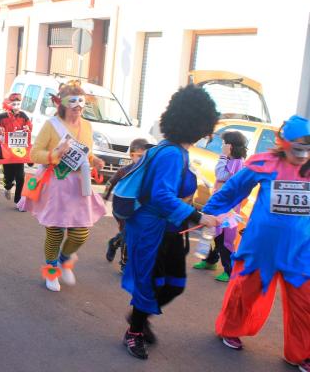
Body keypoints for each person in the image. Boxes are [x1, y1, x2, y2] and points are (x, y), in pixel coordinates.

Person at [202, 115, 310, 371]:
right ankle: (230, 329)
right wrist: (207, 214)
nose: (303, 155)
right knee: (245, 293)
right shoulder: (264, 163)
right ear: (283, 143)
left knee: (306, 303)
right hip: (261, 247)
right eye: (297, 148)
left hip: (301, 251)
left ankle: (303, 353)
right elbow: (232, 190)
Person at [121, 85, 220, 360]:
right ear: (197, 123)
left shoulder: (172, 149)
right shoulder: (172, 153)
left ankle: (138, 318)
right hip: (151, 230)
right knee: (148, 283)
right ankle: (135, 331)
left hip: (168, 228)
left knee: (174, 283)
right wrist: (200, 216)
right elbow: (161, 196)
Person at [22, 80, 105, 292]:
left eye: (81, 103)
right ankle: (51, 271)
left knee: (80, 233)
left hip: (80, 184)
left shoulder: (87, 125)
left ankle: (64, 259)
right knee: (55, 232)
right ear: (63, 104)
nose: (78, 107)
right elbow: (34, 154)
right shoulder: (52, 125)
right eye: (73, 103)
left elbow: (86, 152)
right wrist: (54, 154)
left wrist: (95, 161)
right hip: (57, 184)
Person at [193, 130, 247, 282]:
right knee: (212, 233)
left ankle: (229, 270)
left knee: (224, 239)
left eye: (224, 143)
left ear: (230, 146)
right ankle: (210, 260)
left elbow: (221, 174)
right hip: (219, 206)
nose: (222, 146)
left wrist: (223, 156)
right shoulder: (233, 160)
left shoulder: (237, 162)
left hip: (227, 209)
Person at [104, 138, 150, 273]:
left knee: (129, 233)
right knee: (129, 234)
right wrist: (104, 199)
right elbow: (109, 183)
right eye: (140, 156)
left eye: (145, 157)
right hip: (122, 208)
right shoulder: (125, 170)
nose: (143, 160)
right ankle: (125, 264)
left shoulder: (146, 171)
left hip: (137, 208)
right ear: (132, 155)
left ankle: (114, 243)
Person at [0, 92, 32, 207]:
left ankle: (18, 201)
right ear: (9, 104)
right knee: (8, 176)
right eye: (14, 104)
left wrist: (28, 128)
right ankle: (7, 187)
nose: (17, 106)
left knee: (20, 177)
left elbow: (29, 127)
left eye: (19, 104)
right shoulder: (1, 117)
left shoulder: (24, 116)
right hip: (6, 151)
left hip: (19, 151)